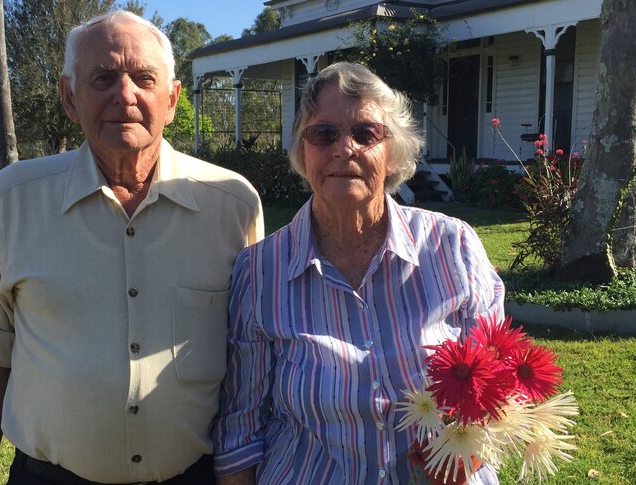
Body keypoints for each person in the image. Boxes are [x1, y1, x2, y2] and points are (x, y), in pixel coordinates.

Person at [0, 10, 263, 485]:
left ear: (173, 98)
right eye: (102, 78)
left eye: (144, 78)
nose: (125, 95)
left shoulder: (232, 204)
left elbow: (254, 355)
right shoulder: (14, 199)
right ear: (69, 97)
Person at [213, 62, 504, 485]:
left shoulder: (452, 247)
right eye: (324, 134)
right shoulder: (260, 271)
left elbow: (500, 384)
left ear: (393, 152)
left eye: (365, 134)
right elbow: (241, 431)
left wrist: (470, 457)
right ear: (303, 149)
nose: (343, 149)